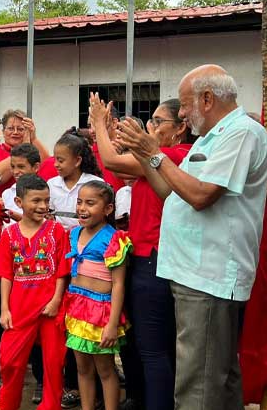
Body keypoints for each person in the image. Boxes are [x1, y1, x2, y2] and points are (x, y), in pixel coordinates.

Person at [116, 64, 267, 410]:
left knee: (197, 386)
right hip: (192, 273)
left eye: (184, 106)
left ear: (206, 99)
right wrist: (145, 153)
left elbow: (201, 196)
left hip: (210, 276)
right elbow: (171, 194)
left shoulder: (242, 133)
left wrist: (154, 153)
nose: (182, 114)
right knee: (220, 377)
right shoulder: (210, 138)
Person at [90, 95, 193, 410]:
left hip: (156, 256)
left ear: (181, 128)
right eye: (152, 121)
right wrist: (109, 132)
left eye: (158, 122)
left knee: (153, 347)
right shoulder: (159, 157)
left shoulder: (176, 153)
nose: (152, 127)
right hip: (145, 254)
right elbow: (118, 168)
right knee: (141, 343)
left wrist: (97, 123)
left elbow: (112, 161)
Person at [0, 174, 70, 410]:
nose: (42, 206)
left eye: (46, 200)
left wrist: (56, 301)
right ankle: (7, 404)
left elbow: (62, 272)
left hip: (50, 308)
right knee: (9, 360)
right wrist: (4, 309)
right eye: (36, 201)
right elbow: (6, 274)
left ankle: (50, 405)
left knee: (54, 363)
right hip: (19, 307)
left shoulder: (56, 231)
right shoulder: (9, 234)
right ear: (19, 202)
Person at [66, 181, 132, 410]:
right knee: (82, 369)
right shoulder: (74, 234)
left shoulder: (114, 239)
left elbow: (119, 284)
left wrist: (112, 324)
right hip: (76, 310)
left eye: (90, 203)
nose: (83, 208)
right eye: (80, 202)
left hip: (101, 313)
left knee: (105, 370)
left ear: (108, 209)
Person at [0, 109, 49, 196]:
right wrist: (23, 148)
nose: (15, 132)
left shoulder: (34, 150)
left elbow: (48, 167)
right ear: (3, 132)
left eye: (20, 129)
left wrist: (33, 138)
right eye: (11, 128)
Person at [48, 133, 103, 229]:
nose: (56, 165)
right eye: (55, 160)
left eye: (60, 161)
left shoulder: (95, 184)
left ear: (77, 161)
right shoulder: (52, 184)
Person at [2, 143, 41, 222]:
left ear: (36, 167)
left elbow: (38, 223)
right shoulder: (7, 194)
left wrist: (7, 212)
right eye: (13, 167)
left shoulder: (45, 192)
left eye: (21, 167)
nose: (15, 171)